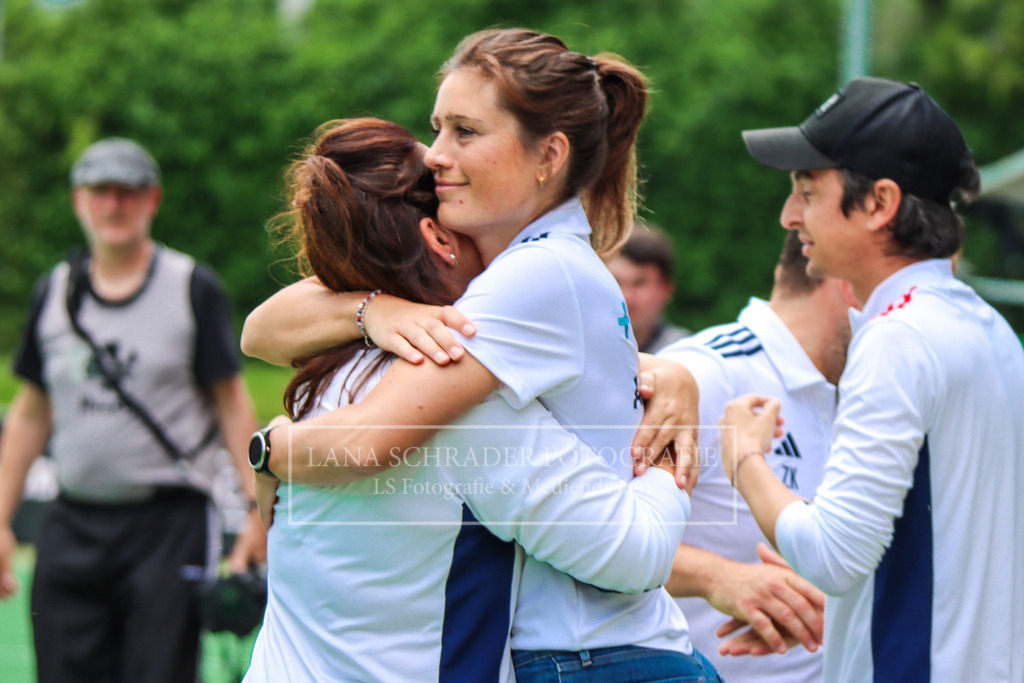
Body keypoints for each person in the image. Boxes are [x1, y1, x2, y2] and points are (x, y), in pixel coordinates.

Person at [244, 27, 719, 682]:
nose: (437, 154)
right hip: (589, 647)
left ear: (548, 154)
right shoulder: (531, 272)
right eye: (438, 128)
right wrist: (374, 310)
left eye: (465, 131)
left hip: (590, 651)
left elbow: (369, 436)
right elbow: (261, 328)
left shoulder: (531, 278)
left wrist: (275, 449)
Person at [720, 76, 1024, 682]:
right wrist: (833, 610)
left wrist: (744, 459)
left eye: (807, 191)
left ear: (880, 203)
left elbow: (832, 555)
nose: (789, 216)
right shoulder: (990, 331)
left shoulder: (898, 338)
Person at [0, 137, 264, 683]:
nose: (114, 205)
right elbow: (29, 414)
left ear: (153, 201)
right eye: (101, 192)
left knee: (160, 672)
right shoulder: (53, 291)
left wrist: (257, 510)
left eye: (128, 192)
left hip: (168, 524)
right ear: (79, 200)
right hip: (71, 521)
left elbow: (231, 404)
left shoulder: (192, 287)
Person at [661, 229, 859, 682]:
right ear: (848, 282)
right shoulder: (704, 372)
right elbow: (584, 528)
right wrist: (719, 576)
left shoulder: (864, 391)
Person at [608, 223, 691, 352]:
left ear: (666, 289)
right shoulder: (579, 349)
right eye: (616, 282)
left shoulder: (685, 354)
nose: (626, 297)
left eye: (639, 283)